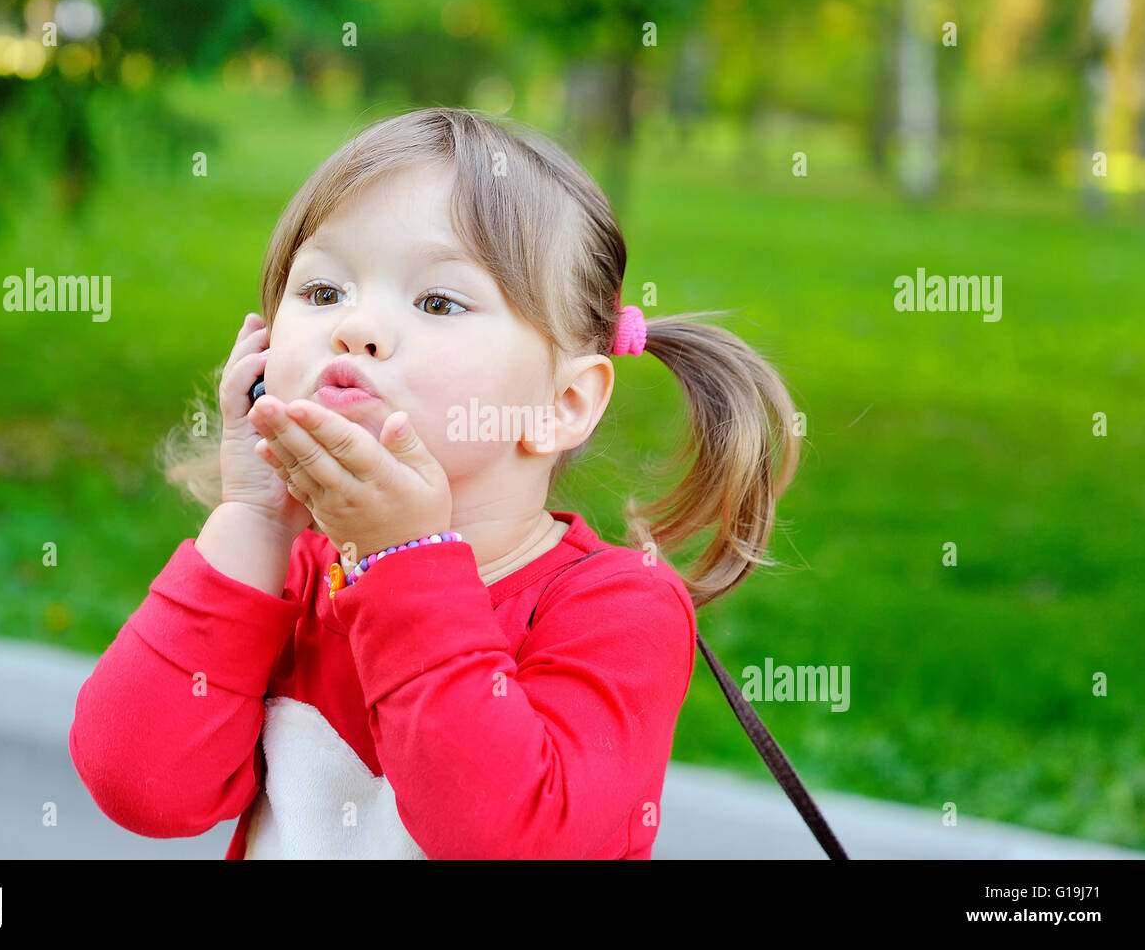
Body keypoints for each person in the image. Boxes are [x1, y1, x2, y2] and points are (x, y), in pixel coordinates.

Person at [69, 106, 801, 859]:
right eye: (323, 292)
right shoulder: (286, 579)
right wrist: (252, 519)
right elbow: (139, 784)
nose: (357, 328)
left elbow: (505, 834)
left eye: (437, 302)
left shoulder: (617, 608)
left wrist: (406, 563)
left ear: (562, 404)